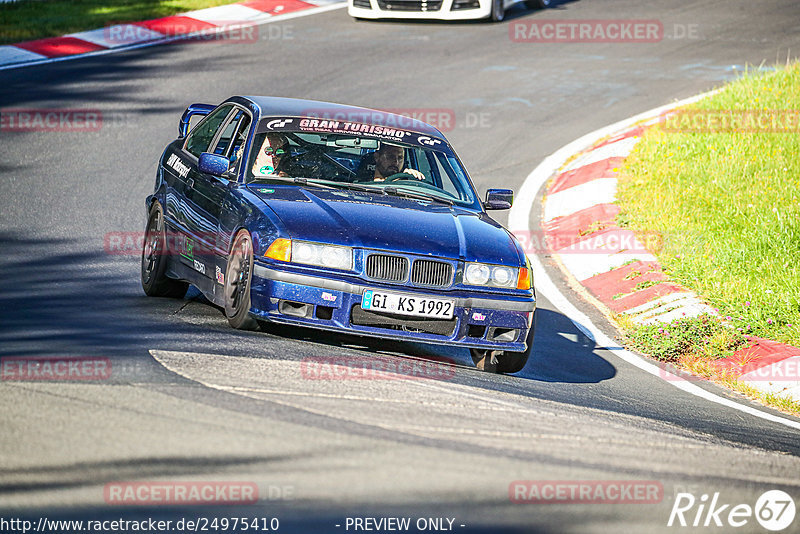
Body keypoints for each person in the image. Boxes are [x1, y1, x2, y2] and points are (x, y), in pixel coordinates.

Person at [356, 143, 426, 182]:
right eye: (390, 156)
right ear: (377, 157)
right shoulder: (359, 186)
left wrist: (413, 179)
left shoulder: (408, 185)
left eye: (400, 158)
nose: (396, 161)